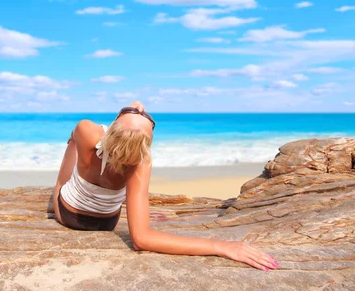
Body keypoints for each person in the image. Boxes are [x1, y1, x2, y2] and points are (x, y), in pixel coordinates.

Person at [52, 101, 279, 272]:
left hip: (67, 214)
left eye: (139, 114)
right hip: (107, 223)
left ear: (114, 126)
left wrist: (222, 247)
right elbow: (141, 238)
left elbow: (140, 242)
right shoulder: (140, 160)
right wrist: (220, 246)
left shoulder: (86, 129)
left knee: (69, 161)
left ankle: (62, 187)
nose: (139, 106)